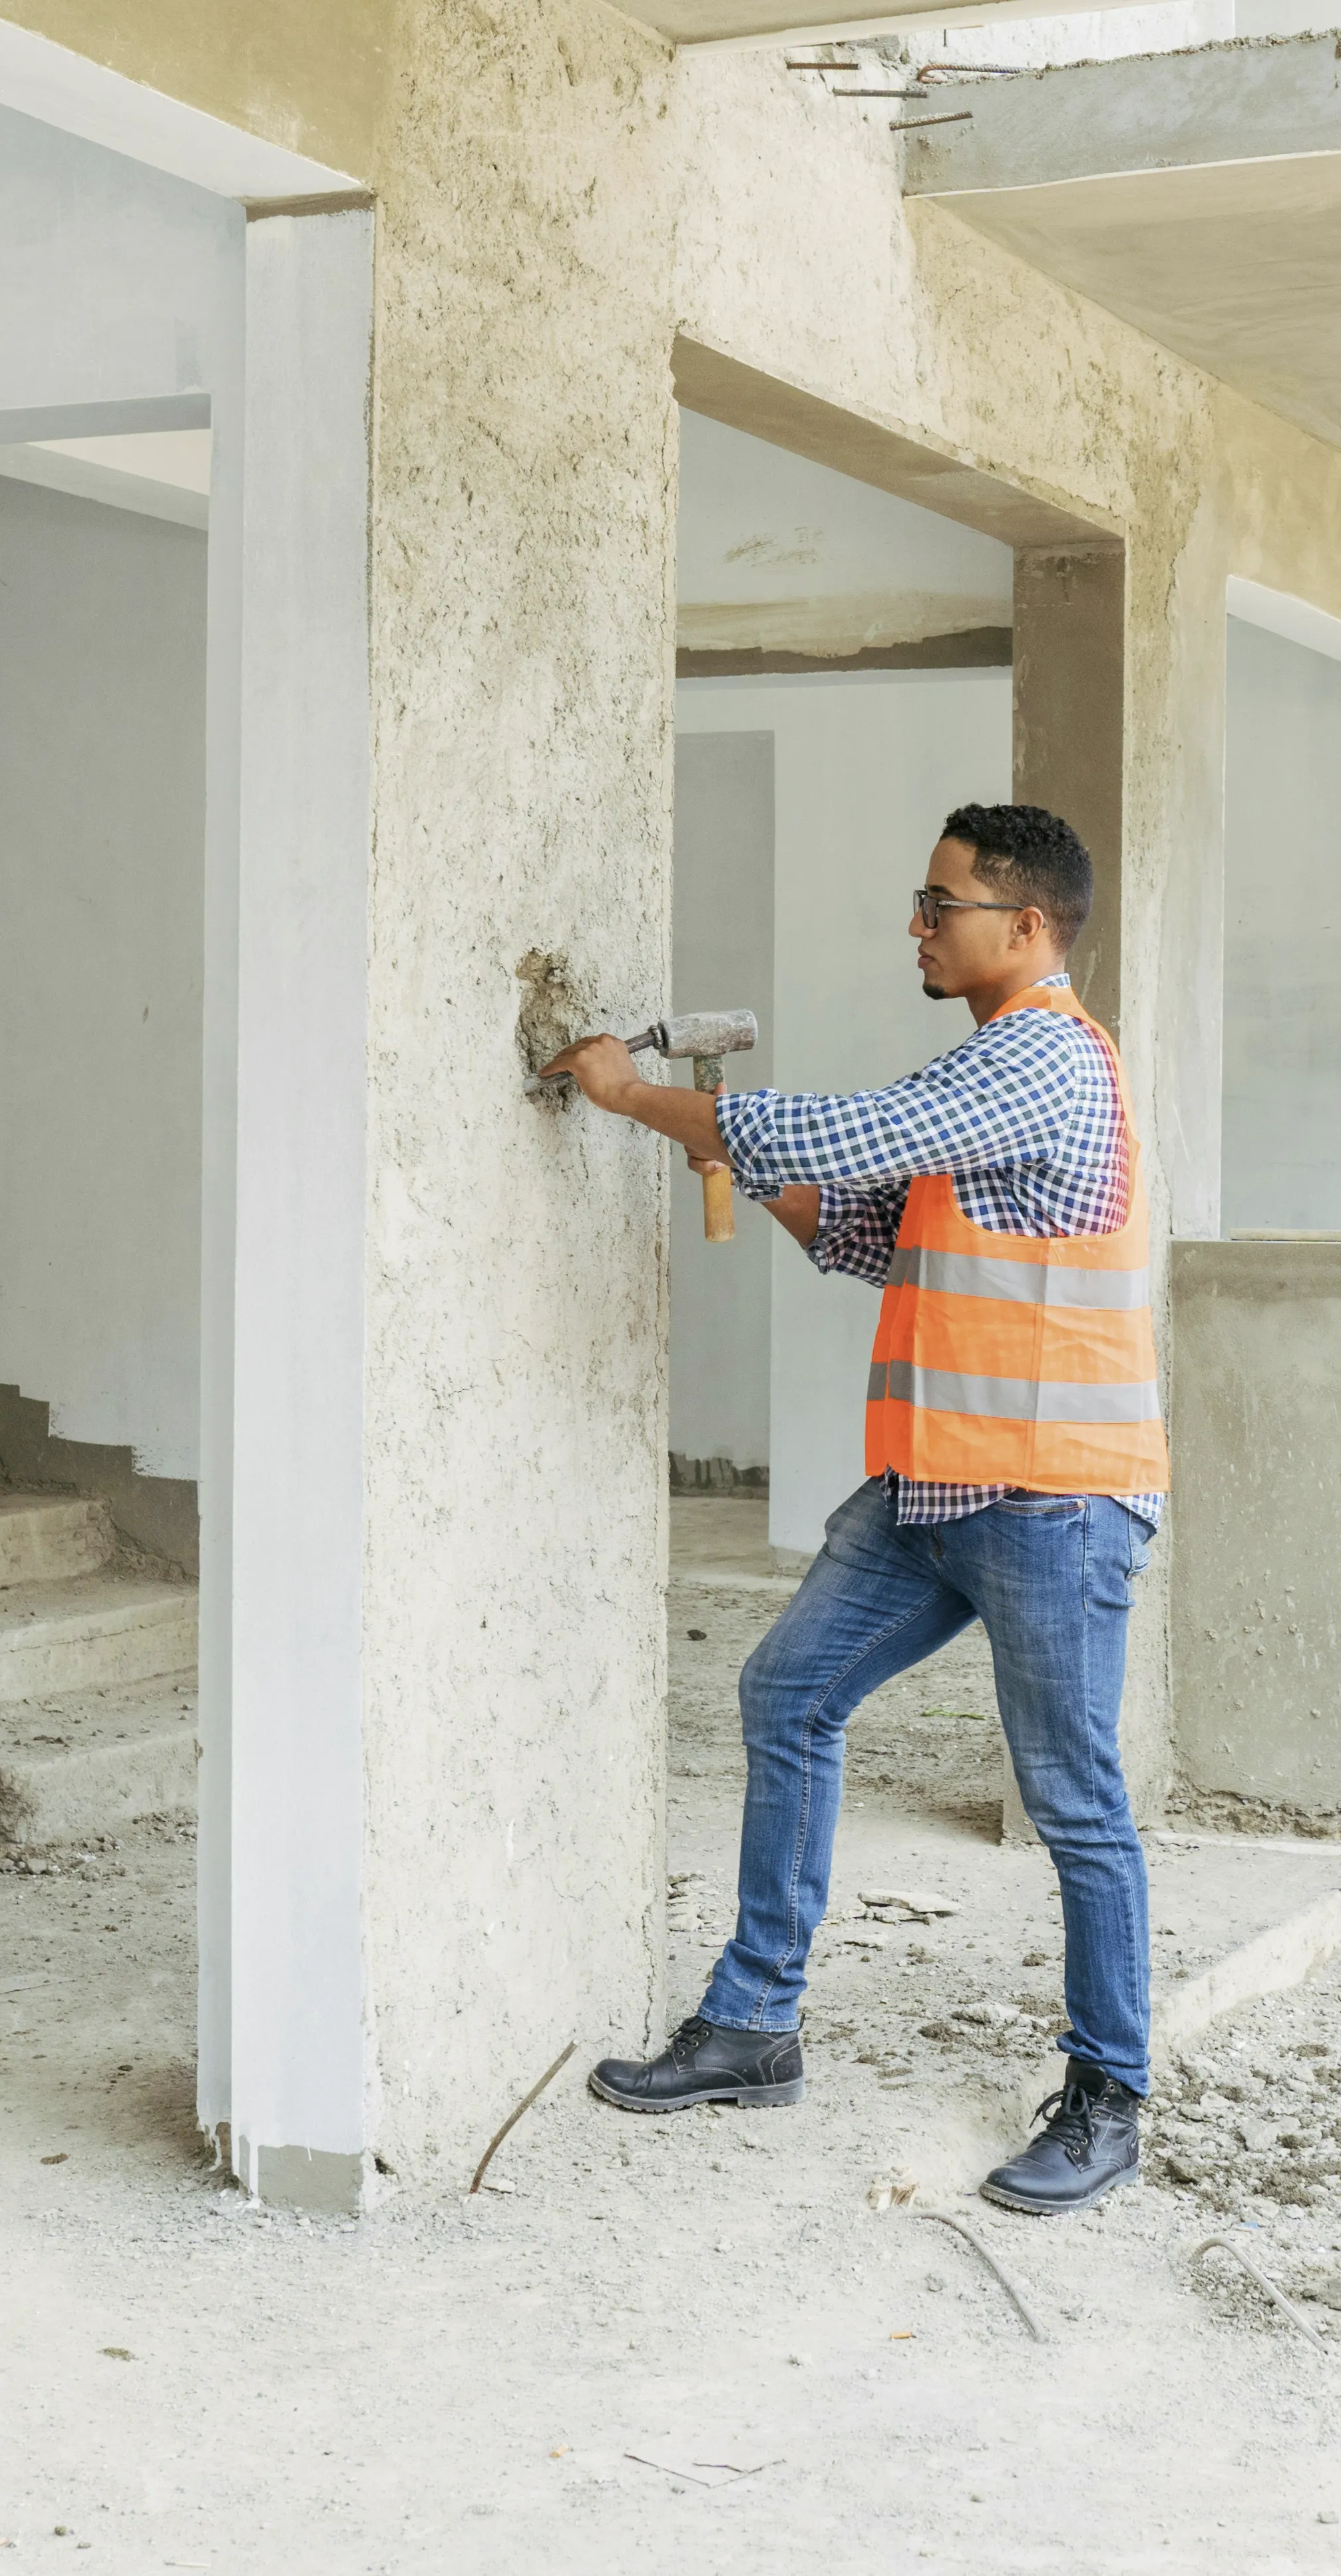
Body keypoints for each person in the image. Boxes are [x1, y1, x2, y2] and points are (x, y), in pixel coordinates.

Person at [538, 801, 1165, 2215]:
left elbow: (863, 1133)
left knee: (1075, 1803)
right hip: (937, 1488)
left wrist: (642, 1099)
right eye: (922, 900)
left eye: (942, 903)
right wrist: (729, 1159)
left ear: (1029, 928)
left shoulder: (1047, 1064)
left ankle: (1108, 2094)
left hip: (1056, 1503)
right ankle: (755, 2026)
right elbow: (867, 1232)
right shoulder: (988, 1077)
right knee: (787, 1694)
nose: (918, 924)